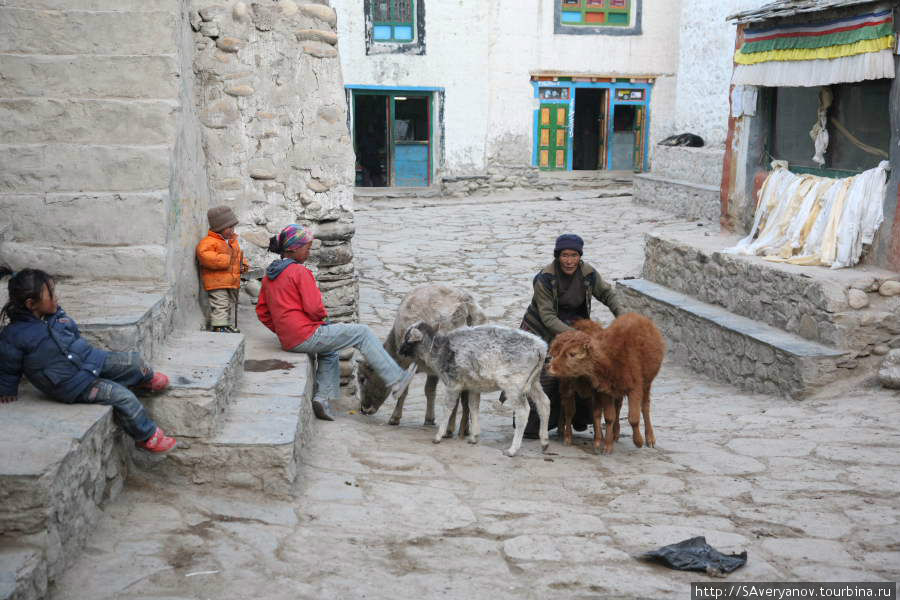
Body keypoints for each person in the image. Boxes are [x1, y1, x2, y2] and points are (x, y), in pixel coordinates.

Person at [0, 268, 176, 453]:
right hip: (71, 384)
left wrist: (61, 319)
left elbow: (73, 334)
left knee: (134, 362)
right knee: (123, 396)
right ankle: (147, 437)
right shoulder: (14, 335)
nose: (57, 297)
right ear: (31, 304)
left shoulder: (55, 316)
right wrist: (6, 389)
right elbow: (7, 366)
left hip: (90, 360)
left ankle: (143, 380)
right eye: (51, 294)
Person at [256, 224, 417, 421]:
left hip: (288, 338)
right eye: (306, 246)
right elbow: (315, 309)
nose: (309, 249)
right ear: (292, 249)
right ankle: (396, 379)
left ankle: (322, 399)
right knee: (362, 332)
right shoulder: (300, 273)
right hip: (304, 335)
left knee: (329, 350)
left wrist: (283, 328)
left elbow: (262, 312)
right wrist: (318, 321)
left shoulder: (270, 275)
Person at [517, 233, 623, 437]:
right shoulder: (545, 278)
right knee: (545, 376)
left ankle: (577, 418)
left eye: (574, 255)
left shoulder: (588, 273)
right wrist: (577, 337)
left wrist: (622, 318)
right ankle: (535, 421)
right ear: (558, 256)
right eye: (564, 255)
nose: (569, 260)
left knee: (585, 372)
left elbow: (608, 294)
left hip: (575, 327)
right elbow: (547, 317)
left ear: (579, 256)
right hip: (542, 332)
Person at [197, 205, 249, 333]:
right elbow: (204, 256)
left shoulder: (232, 242)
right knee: (220, 303)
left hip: (230, 281)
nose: (232, 230)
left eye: (233, 227)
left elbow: (237, 256)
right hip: (217, 282)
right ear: (218, 227)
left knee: (228, 304)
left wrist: (243, 265)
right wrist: (227, 260)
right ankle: (219, 325)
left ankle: (225, 324)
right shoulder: (209, 242)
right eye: (229, 227)